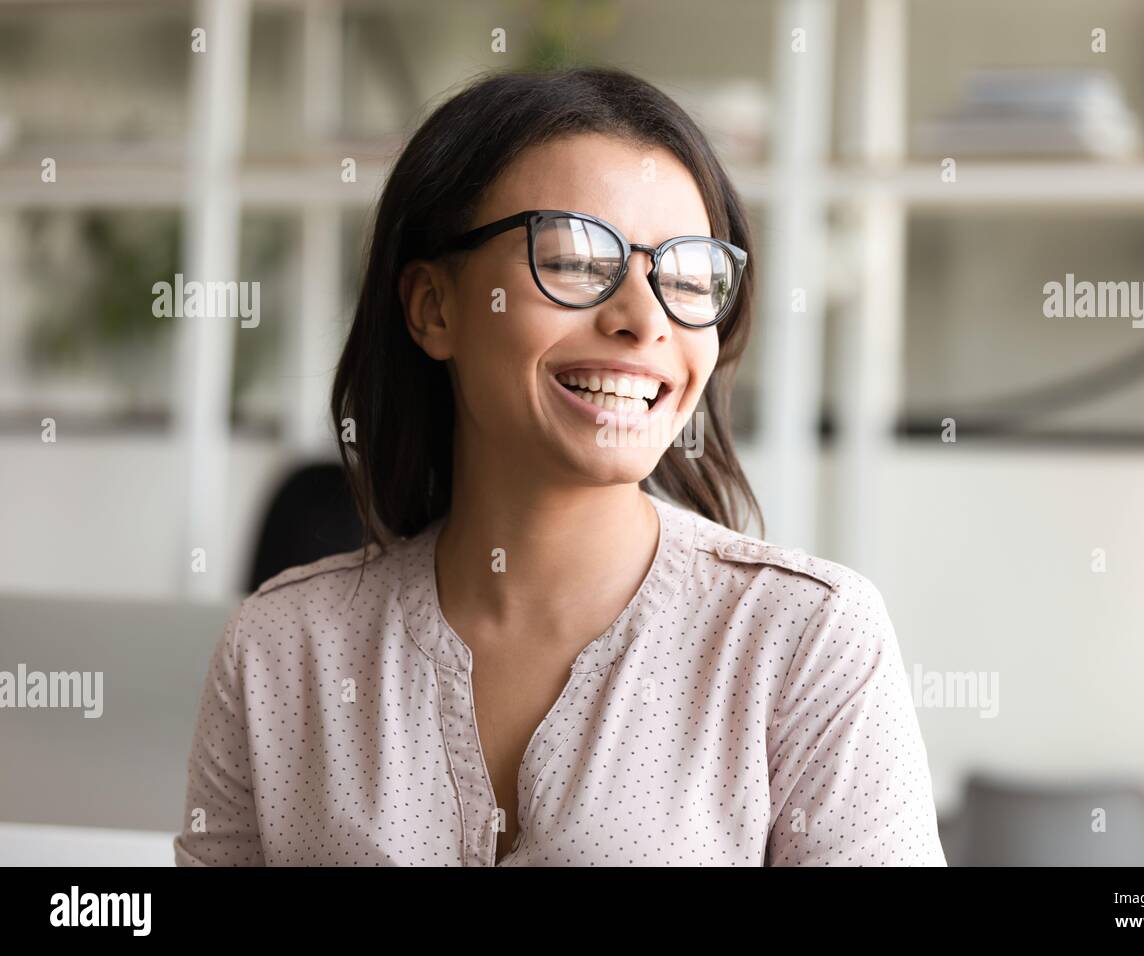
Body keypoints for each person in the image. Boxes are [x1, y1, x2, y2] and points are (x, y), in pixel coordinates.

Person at [173, 66, 946, 866]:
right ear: (435, 307)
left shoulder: (806, 641)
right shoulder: (278, 651)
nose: (644, 321)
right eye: (576, 259)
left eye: (687, 276)